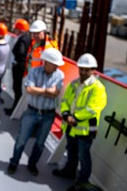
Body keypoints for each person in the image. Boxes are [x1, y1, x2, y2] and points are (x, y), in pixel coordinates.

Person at [52, 53, 107, 191]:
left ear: (93, 70)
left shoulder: (98, 88)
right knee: (71, 151)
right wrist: (65, 114)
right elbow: (65, 101)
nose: (83, 72)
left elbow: (93, 108)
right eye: (81, 69)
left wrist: (74, 118)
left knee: (83, 156)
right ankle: (69, 172)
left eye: (86, 70)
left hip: (85, 129)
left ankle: (82, 182)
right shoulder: (74, 84)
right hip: (71, 127)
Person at [7, 48, 65, 176]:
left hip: (48, 114)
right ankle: (14, 162)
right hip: (31, 112)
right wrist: (46, 91)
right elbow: (29, 89)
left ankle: (32, 164)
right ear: (46, 62)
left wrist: (38, 90)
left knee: (40, 143)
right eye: (54, 64)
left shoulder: (60, 75)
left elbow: (55, 93)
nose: (56, 67)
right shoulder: (33, 71)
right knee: (22, 139)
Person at [5, 19, 31, 116]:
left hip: (18, 67)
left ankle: (15, 110)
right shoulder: (26, 38)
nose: (14, 30)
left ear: (20, 30)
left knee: (17, 88)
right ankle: (14, 109)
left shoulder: (23, 39)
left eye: (16, 28)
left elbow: (20, 52)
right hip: (20, 67)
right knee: (17, 88)